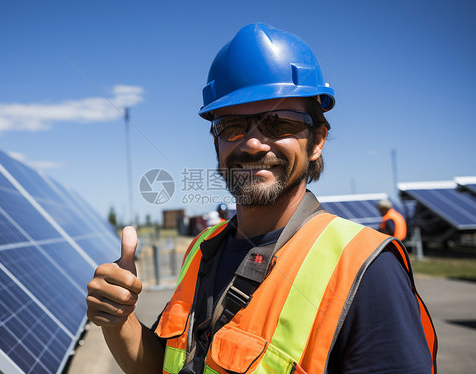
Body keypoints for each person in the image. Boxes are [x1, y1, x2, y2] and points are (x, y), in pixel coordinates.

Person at [87, 23, 437, 374]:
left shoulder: (366, 271)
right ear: (216, 144)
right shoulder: (201, 250)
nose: (253, 143)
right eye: (232, 126)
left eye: (279, 123)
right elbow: (163, 367)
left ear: (316, 141)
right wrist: (119, 320)